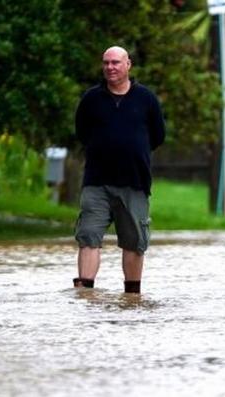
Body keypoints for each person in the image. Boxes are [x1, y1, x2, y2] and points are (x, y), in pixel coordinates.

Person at [73, 46, 165, 294]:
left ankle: (132, 296)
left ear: (128, 65)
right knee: (89, 235)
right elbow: (82, 132)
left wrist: (132, 150)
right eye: (106, 63)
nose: (110, 67)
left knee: (134, 242)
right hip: (97, 182)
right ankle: (85, 294)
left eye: (115, 62)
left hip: (134, 182)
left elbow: (158, 135)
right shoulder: (91, 99)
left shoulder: (146, 99)